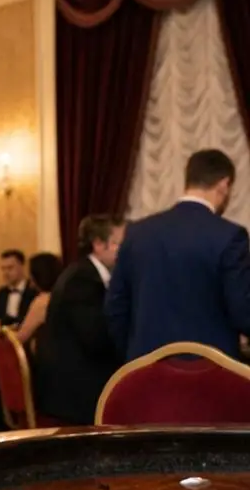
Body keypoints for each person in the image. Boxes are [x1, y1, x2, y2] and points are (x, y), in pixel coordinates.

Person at [106, 149, 250, 361]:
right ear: (224, 184)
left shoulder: (138, 232)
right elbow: (242, 311)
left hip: (146, 369)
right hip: (210, 371)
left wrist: (135, 355)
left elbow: (115, 307)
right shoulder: (230, 236)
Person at [32, 214, 125, 425]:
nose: (125, 251)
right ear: (99, 245)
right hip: (74, 394)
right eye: (121, 244)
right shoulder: (82, 280)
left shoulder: (84, 273)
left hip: (75, 384)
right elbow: (96, 340)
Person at [13, 252, 63, 345]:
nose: (31, 284)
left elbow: (21, 337)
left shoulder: (43, 301)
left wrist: (1, 332)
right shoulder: (72, 295)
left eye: (32, 277)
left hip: (52, 357)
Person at [0, 249, 37, 326]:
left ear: (22, 266)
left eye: (10, 268)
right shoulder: (2, 292)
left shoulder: (33, 289)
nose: (5, 273)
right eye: (3, 269)